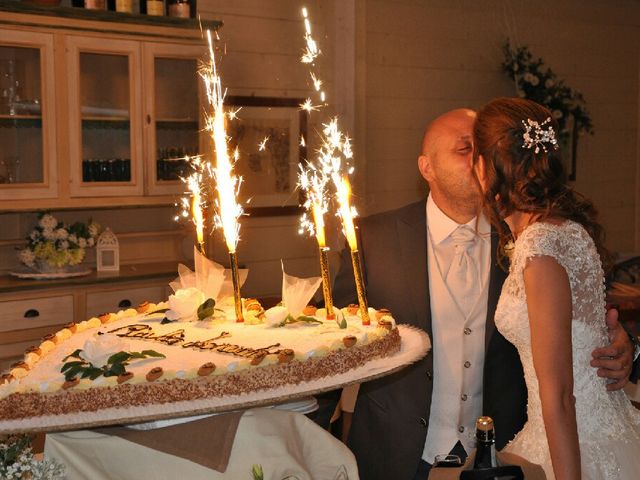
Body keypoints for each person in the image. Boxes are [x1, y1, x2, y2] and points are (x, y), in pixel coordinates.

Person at [331, 108, 639, 480]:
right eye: (465, 149)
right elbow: (334, 340)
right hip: (397, 455)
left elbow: (580, 325)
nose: (479, 159)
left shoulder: (532, 237)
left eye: (484, 150)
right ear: (426, 167)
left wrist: (626, 345)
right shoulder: (371, 238)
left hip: (507, 458)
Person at [472, 97, 640, 479]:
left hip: (570, 447)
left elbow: (561, 395)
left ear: (485, 167)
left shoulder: (539, 247)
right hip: (590, 430)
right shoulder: (569, 231)